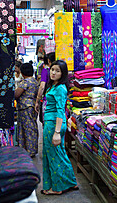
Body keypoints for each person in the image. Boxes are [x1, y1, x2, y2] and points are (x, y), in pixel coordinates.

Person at [41, 60, 78, 195]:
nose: (53, 73)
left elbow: (60, 111)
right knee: (60, 154)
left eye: (57, 71)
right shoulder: (55, 86)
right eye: (52, 70)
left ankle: (57, 188)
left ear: (62, 74)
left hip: (53, 125)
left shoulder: (60, 89)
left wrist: (56, 132)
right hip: (52, 123)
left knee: (53, 155)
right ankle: (70, 182)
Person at [14, 63, 39, 157]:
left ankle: (27, 150)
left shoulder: (25, 82)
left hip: (25, 107)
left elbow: (16, 94)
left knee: (26, 128)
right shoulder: (34, 81)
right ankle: (32, 149)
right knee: (32, 127)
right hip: (32, 107)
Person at [35, 52, 56, 124]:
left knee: (47, 124)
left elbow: (42, 87)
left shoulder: (46, 71)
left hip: (48, 101)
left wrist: (37, 100)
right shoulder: (60, 71)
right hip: (58, 101)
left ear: (49, 60)